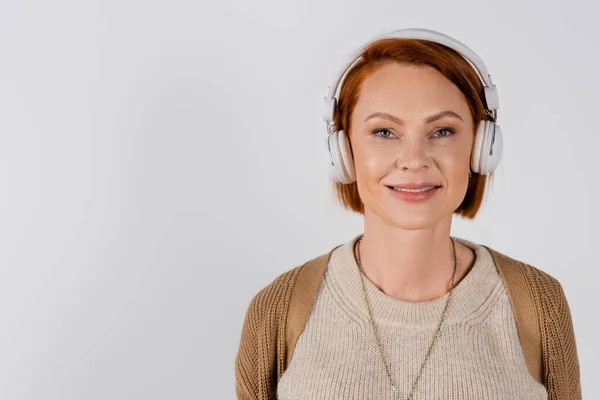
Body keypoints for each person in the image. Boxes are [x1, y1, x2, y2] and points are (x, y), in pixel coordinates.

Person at [235, 28, 581, 400]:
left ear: (481, 149)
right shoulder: (280, 308)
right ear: (344, 152)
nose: (414, 160)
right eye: (384, 132)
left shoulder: (537, 303)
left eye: (443, 131)